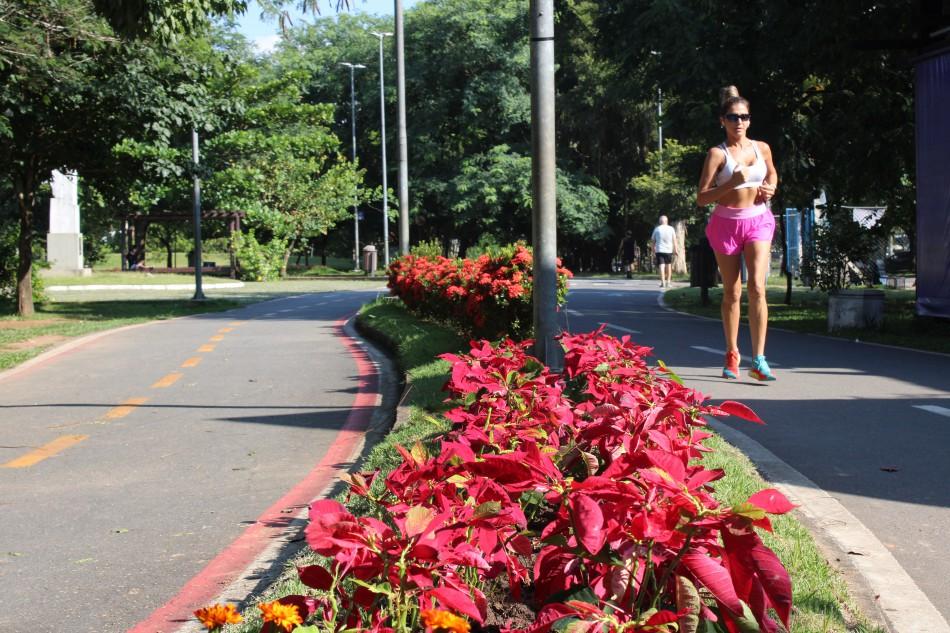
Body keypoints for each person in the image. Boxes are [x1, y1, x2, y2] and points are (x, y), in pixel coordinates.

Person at [696, 85, 778, 381]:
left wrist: (771, 187)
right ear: (723, 121)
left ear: (749, 120)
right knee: (732, 291)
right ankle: (732, 353)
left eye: (744, 117)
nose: (739, 122)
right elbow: (702, 198)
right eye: (732, 117)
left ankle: (759, 359)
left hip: (758, 220)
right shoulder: (717, 154)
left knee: (757, 287)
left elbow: (771, 172)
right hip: (726, 223)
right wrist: (731, 184)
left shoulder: (762, 148)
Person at [651, 215, 676, 288]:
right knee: (668, 265)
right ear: (667, 221)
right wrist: (676, 249)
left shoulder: (657, 229)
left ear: (660, 221)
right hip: (668, 250)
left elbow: (653, 241)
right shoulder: (671, 229)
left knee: (661, 266)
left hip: (659, 250)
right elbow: (674, 240)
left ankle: (663, 282)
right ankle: (668, 282)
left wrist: (653, 251)